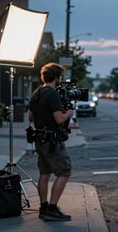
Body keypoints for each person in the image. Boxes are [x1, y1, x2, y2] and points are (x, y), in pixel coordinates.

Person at [28, 62, 74, 221]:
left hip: (39, 139)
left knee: (44, 173)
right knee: (64, 171)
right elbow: (59, 118)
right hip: (52, 141)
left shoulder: (36, 92)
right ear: (56, 77)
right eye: (60, 77)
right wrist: (69, 112)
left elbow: (30, 117)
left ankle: (43, 207)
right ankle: (52, 209)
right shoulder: (52, 94)